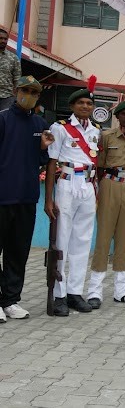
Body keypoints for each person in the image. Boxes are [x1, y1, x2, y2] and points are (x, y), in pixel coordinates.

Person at [44, 76, 101, 316]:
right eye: (81, 103)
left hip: (87, 186)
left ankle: (75, 292)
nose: (85, 107)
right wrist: (48, 199)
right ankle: (59, 294)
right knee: (62, 241)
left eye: (89, 103)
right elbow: (51, 163)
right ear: (72, 106)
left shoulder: (96, 132)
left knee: (82, 241)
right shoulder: (60, 128)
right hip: (67, 184)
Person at [86, 90, 125, 308]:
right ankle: (95, 290)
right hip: (109, 184)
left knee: (124, 238)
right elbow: (99, 163)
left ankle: (122, 290)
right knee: (104, 237)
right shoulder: (106, 136)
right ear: (118, 116)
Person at [0, 76, 53, 322]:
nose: (29, 95)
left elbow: (41, 162)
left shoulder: (40, 123)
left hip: (26, 198)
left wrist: (43, 148)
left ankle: (11, 300)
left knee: (18, 252)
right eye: (25, 90)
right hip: (2, 197)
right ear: (15, 90)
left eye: (34, 92)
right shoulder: (2, 119)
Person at [0, 28, 22, 112]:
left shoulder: (13, 58)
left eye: (5, 39)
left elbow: (17, 80)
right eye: (1, 38)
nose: (3, 41)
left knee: (4, 122)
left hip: (7, 97)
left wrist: (17, 97)